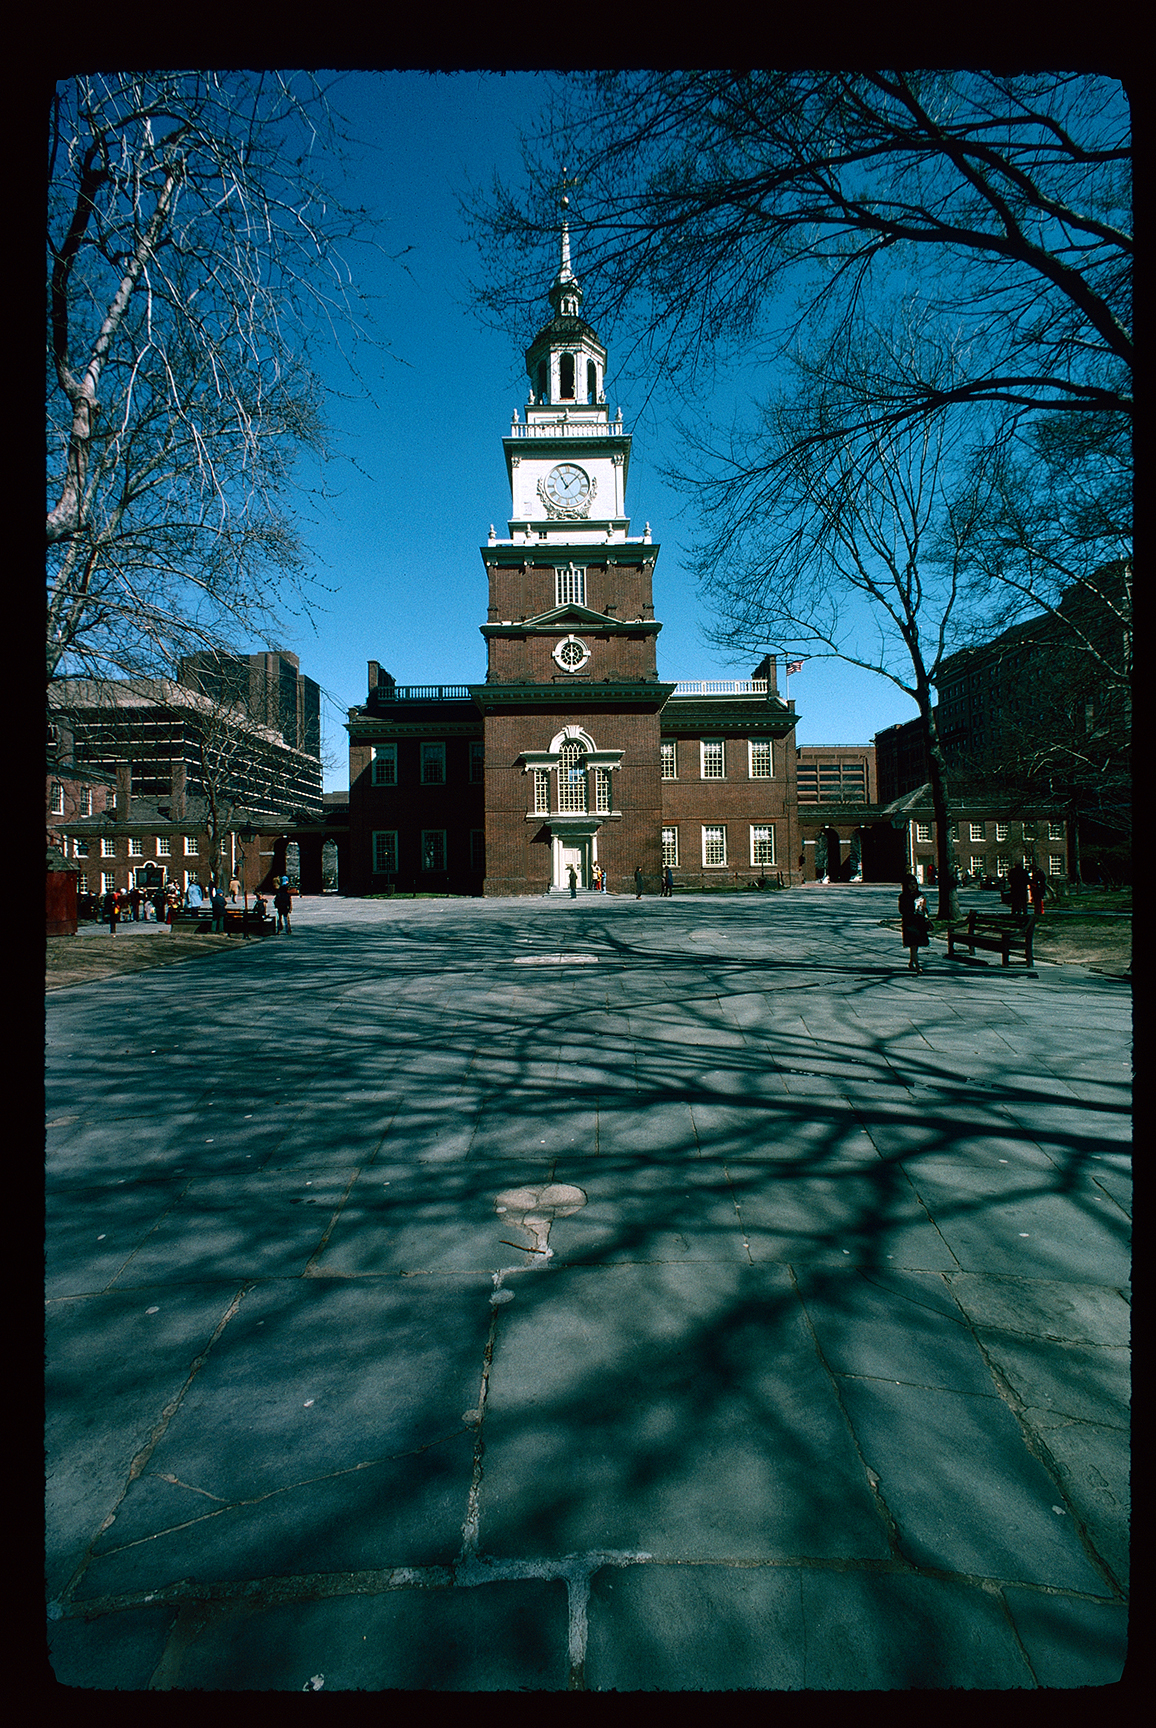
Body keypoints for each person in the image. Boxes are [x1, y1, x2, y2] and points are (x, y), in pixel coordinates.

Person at [898, 873, 930, 973]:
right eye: (910, 884)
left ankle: (912, 962)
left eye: (914, 883)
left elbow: (926, 908)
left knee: (915, 944)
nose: (913, 886)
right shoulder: (903, 896)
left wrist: (924, 909)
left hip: (919, 922)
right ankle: (916, 964)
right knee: (913, 943)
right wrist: (911, 911)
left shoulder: (920, 895)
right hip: (909, 922)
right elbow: (902, 910)